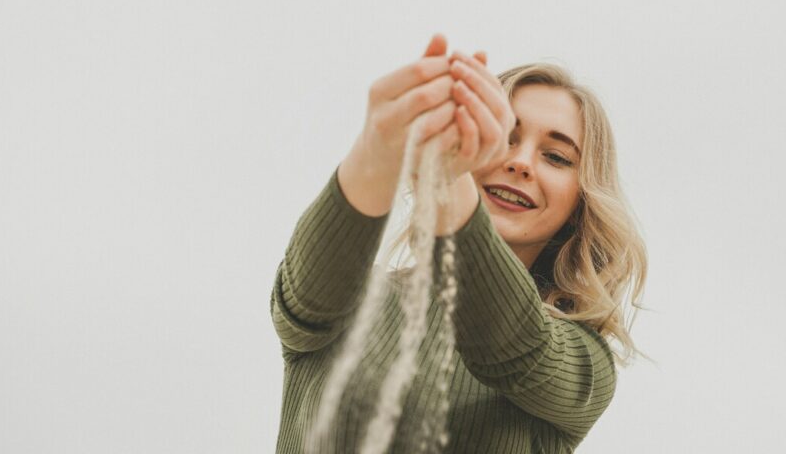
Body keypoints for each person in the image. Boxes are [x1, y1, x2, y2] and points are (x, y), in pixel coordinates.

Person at [270, 35, 648, 453]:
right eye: (503, 136)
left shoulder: (583, 363)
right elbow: (307, 296)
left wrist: (448, 180)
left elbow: (514, 346)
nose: (520, 162)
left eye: (556, 157)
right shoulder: (353, 299)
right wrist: (380, 144)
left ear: (579, 206)